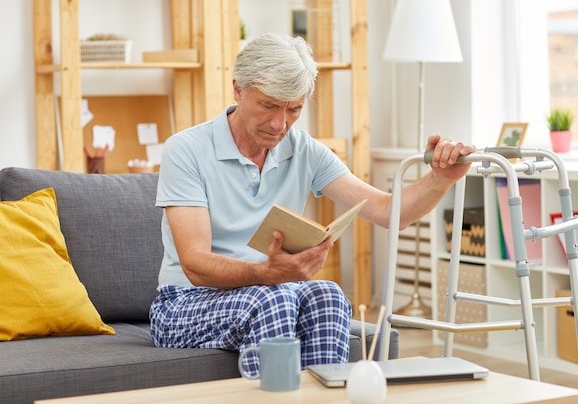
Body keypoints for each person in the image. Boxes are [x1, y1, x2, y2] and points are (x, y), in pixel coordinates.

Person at [149, 32, 475, 375]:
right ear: (238, 90)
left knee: (329, 296)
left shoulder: (303, 149)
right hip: (183, 305)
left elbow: (388, 211)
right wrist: (265, 274)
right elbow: (194, 264)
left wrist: (441, 179)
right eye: (268, 105)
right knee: (275, 297)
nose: (280, 124)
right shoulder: (185, 149)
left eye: (294, 110)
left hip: (268, 297)